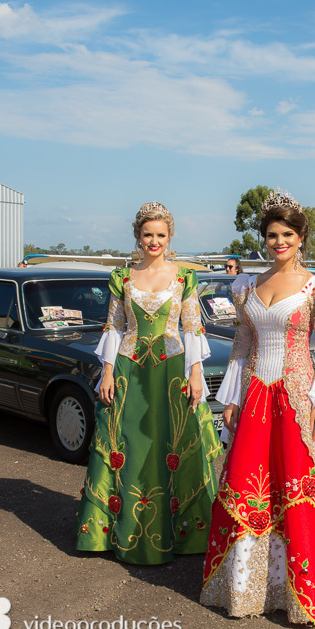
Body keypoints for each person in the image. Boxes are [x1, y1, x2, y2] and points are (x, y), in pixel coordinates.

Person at [201, 189, 315, 625]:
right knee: (248, 484)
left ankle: (303, 594)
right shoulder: (247, 286)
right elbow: (242, 343)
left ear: (301, 237)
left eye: (287, 234)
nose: (279, 242)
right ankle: (248, 589)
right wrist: (232, 397)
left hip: (296, 395)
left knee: (298, 487)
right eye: (272, 234)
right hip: (256, 393)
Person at [75, 202, 221, 564]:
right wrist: (107, 371)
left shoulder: (184, 277)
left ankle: (184, 534)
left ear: (170, 238)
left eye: (160, 235)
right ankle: (116, 531)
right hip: (128, 370)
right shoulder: (122, 278)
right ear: (137, 237)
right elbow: (114, 326)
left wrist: (196, 372)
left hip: (170, 373)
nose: (153, 241)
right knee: (129, 445)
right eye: (147, 234)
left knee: (170, 443)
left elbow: (192, 327)